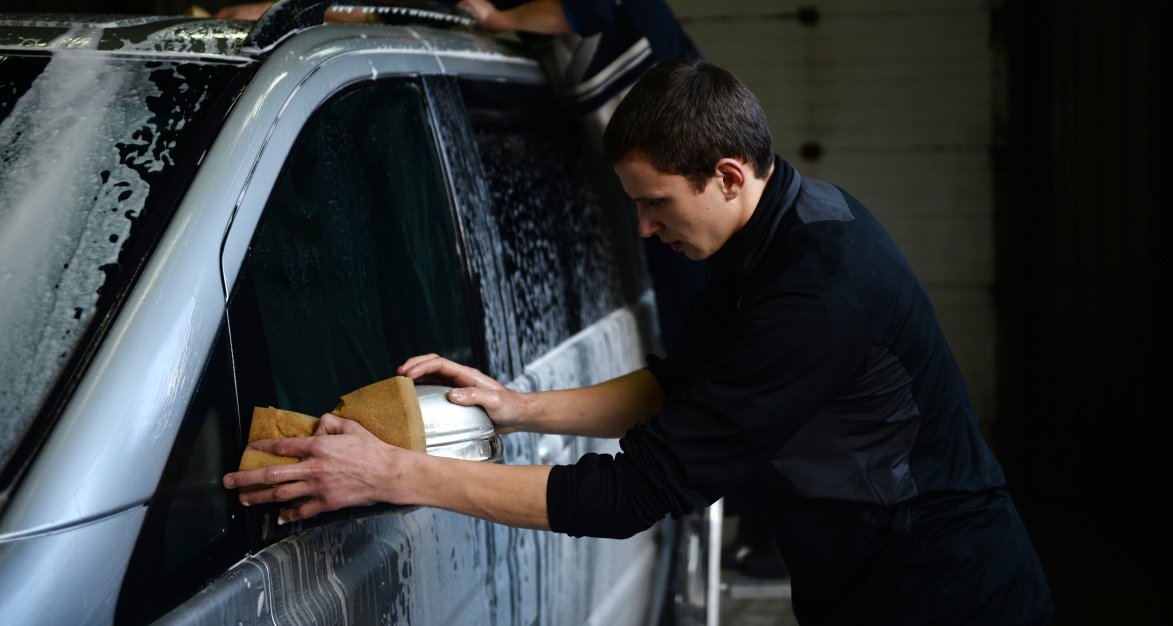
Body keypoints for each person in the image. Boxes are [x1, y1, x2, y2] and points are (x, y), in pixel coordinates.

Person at [225, 59, 1053, 625]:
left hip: (940, 589)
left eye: (657, 204)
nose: (648, 231)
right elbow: (681, 381)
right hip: (860, 575)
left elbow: (633, 496)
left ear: (728, 175)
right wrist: (517, 410)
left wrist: (399, 472)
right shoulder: (769, 231)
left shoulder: (819, 293)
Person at [219, 0, 706, 350]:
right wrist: (280, 7)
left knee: (706, 298)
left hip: (688, 145)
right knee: (677, 304)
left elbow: (583, 6)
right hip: (636, 181)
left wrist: (501, 19)